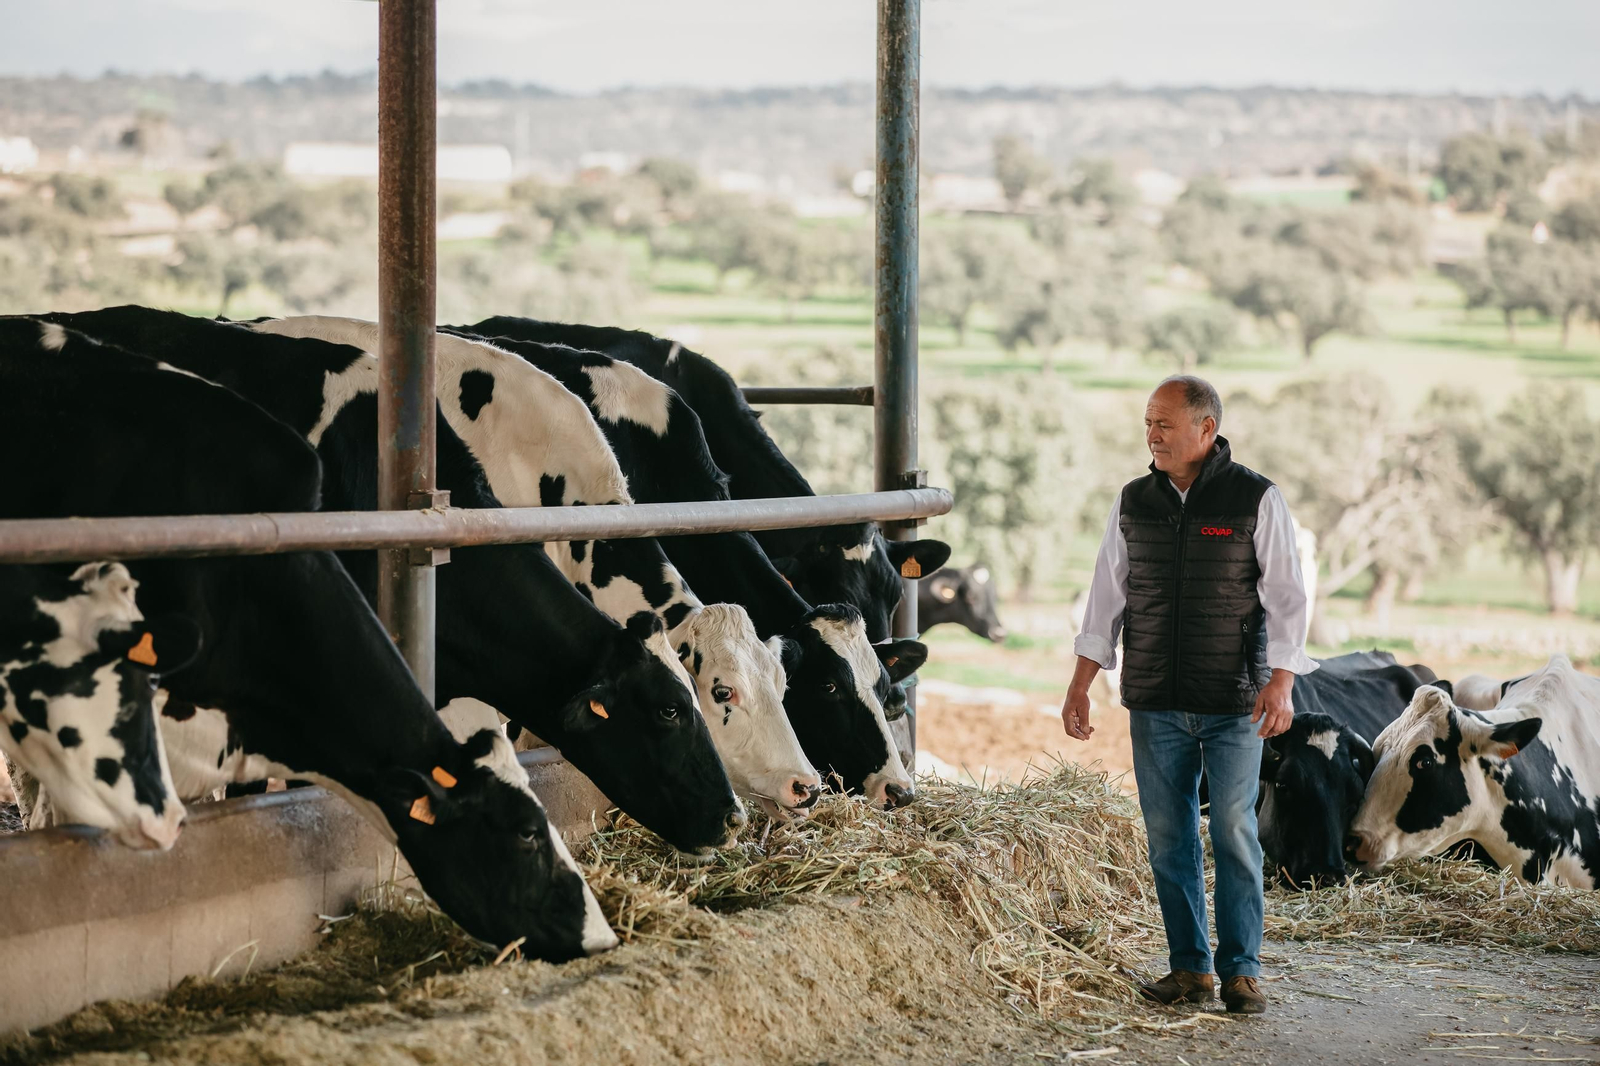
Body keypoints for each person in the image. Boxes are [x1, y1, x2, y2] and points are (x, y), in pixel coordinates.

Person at [1060, 375, 1316, 1016]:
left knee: (1232, 829)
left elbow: (1288, 597)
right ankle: (1189, 969)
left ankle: (1242, 971)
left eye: (1165, 424)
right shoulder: (1133, 502)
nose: (1153, 435)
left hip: (1234, 701)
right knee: (1168, 835)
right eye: (1148, 423)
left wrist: (1280, 681)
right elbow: (1105, 600)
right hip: (1154, 700)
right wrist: (1082, 683)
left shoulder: (1255, 497)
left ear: (1206, 429)